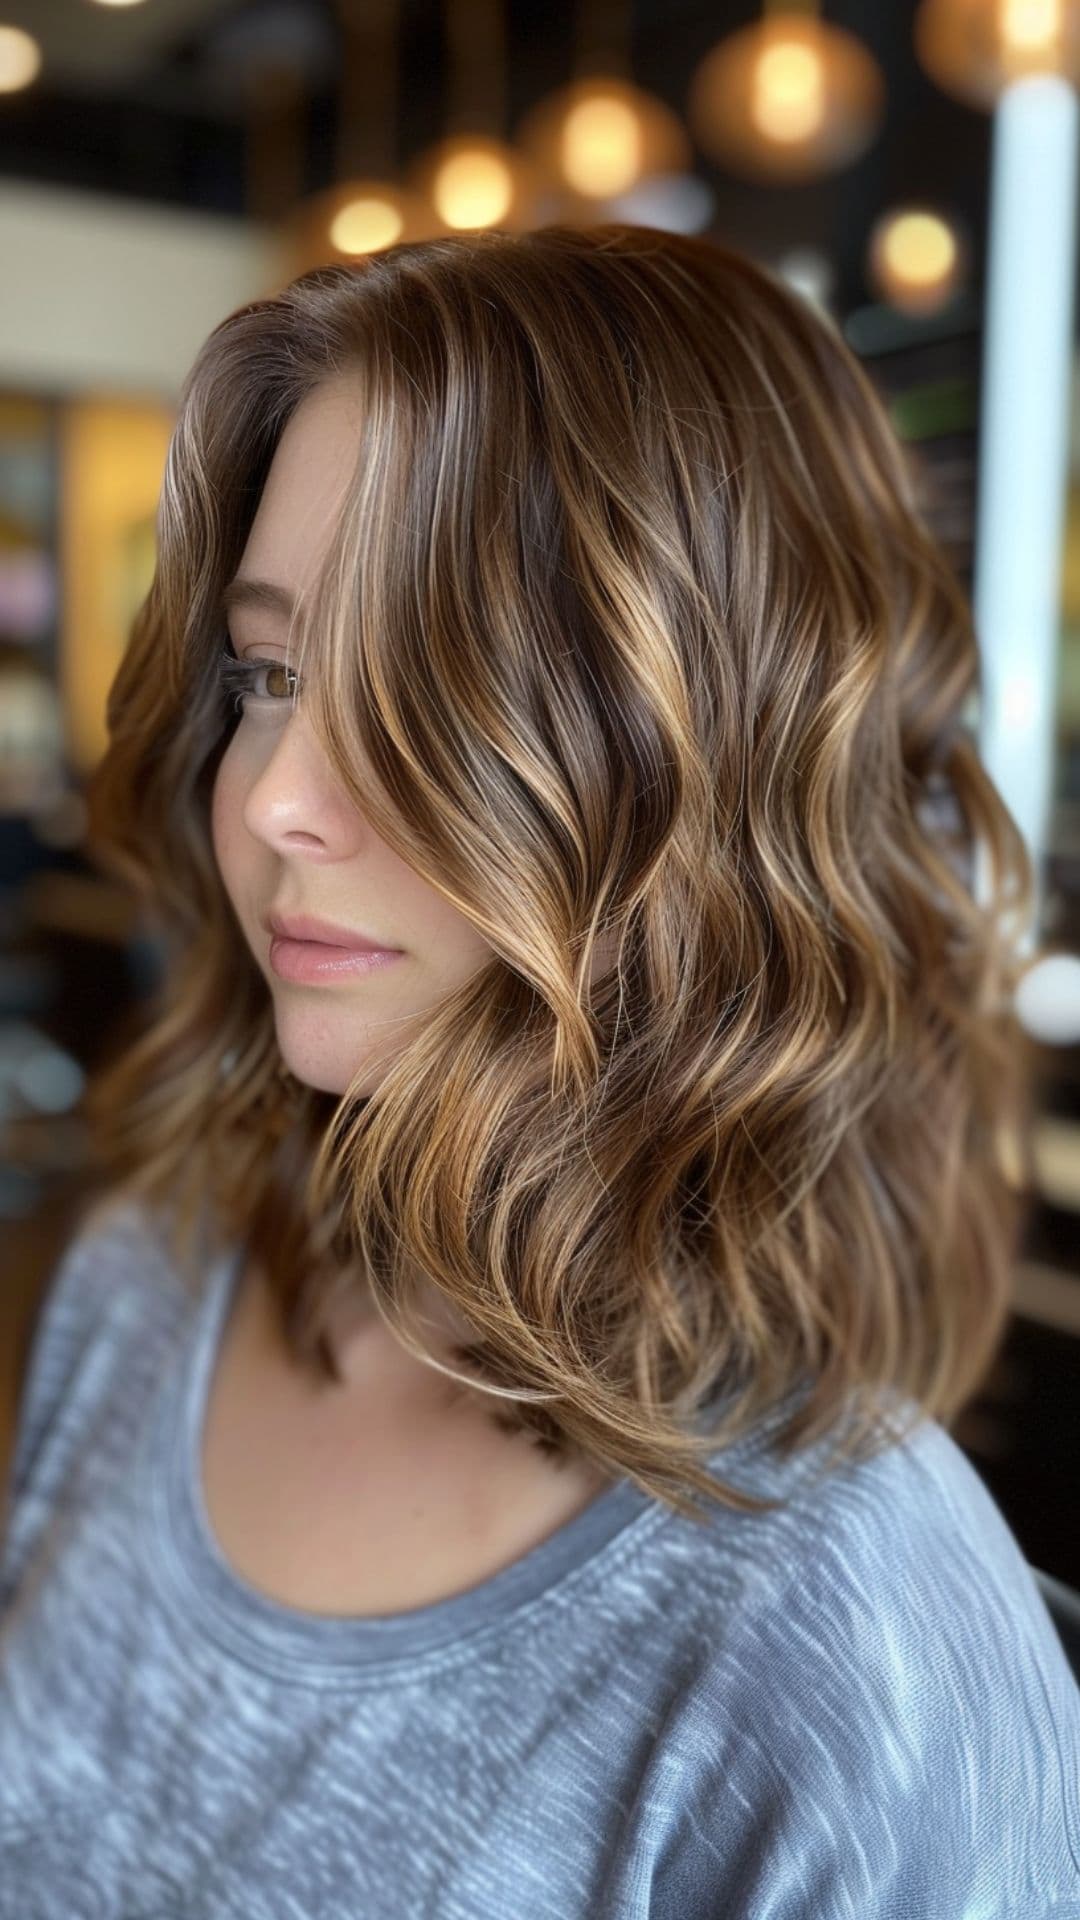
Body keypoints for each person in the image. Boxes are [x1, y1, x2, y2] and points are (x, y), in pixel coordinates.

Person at [1, 221, 1077, 1918]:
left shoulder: (855, 1651)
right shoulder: (151, 1279)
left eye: (423, 690)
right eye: (273, 674)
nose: (277, 793)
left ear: (711, 763)